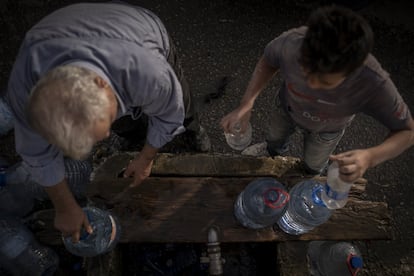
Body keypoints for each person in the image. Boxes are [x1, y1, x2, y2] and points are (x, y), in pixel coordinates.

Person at [6, 2, 210, 242]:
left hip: (138, 30)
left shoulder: (149, 72)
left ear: (102, 84)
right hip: (64, 37)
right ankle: (133, 134)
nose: (103, 138)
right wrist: (64, 207)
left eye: (106, 120)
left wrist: (146, 159)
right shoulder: (25, 94)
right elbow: (37, 155)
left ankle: (194, 136)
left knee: (183, 114)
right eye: (94, 135)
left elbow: (168, 115)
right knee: (124, 126)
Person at [221, 5, 414, 181]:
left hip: (326, 130)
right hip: (286, 109)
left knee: (314, 164)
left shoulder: (372, 83)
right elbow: (268, 60)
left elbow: (407, 131)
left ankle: (308, 175)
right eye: (305, 69)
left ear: (353, 70)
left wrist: (370, 157)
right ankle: (272, 152)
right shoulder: (291, 43)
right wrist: (247, 103)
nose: (310, 85)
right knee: (274, 138)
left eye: (324, 81)